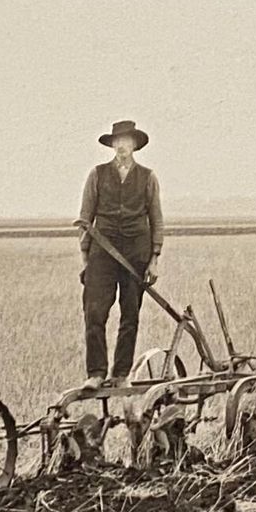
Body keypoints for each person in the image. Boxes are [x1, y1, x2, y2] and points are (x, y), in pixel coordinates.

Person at [77, 119, 164, 384]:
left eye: (126, 141)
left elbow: (156, 219)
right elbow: (85, 218)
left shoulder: (148, 177)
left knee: (130, 315)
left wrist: (154, 259)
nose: (122, 146)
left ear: (135, 145)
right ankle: (96, 373)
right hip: (102, 251)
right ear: (112, 145)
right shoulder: (97, 175)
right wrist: (86, 256)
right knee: (94, 312)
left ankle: (121, 374)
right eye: (117, 141)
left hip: (136, 252)